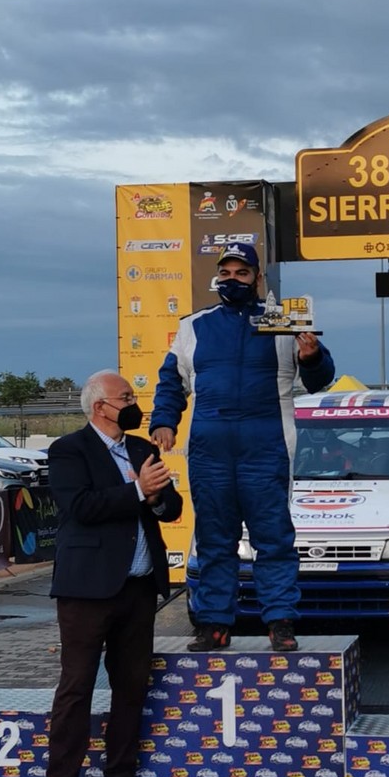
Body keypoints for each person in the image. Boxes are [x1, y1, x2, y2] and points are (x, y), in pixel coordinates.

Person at [149, 242, 334, 654]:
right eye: (226, 273)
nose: (232, 280)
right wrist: (164, 421)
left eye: (242, 273)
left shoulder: (284, 322)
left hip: (266, 445)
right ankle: (213, 625)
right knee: (215, 540)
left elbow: (320, 379)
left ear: (257, 278)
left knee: (273, 539)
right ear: (218, 277)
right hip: (210, 448)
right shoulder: (193, 326)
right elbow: (170, 382)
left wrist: (312, 355)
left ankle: (281, 623)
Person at [44, 370, 182, 777]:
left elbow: (172, 506)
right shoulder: (69, 450)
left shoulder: (142, 449)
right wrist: (139, 490)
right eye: (125, 396)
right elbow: (80, 508)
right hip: (87, 590)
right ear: (100, 406)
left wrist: (158, 498)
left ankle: (121, 773)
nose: (133, 402)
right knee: (76, 686)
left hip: (139, 589)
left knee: (131, 685)